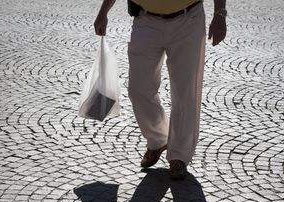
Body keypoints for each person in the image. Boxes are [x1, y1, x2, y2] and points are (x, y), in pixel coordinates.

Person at [94, 0, 227, 179]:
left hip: (188, 19)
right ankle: (157, 139)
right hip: (146, 19)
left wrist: (219, 14)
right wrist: (103, 11)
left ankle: (179, 155)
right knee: (138, 88)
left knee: (185, 91)